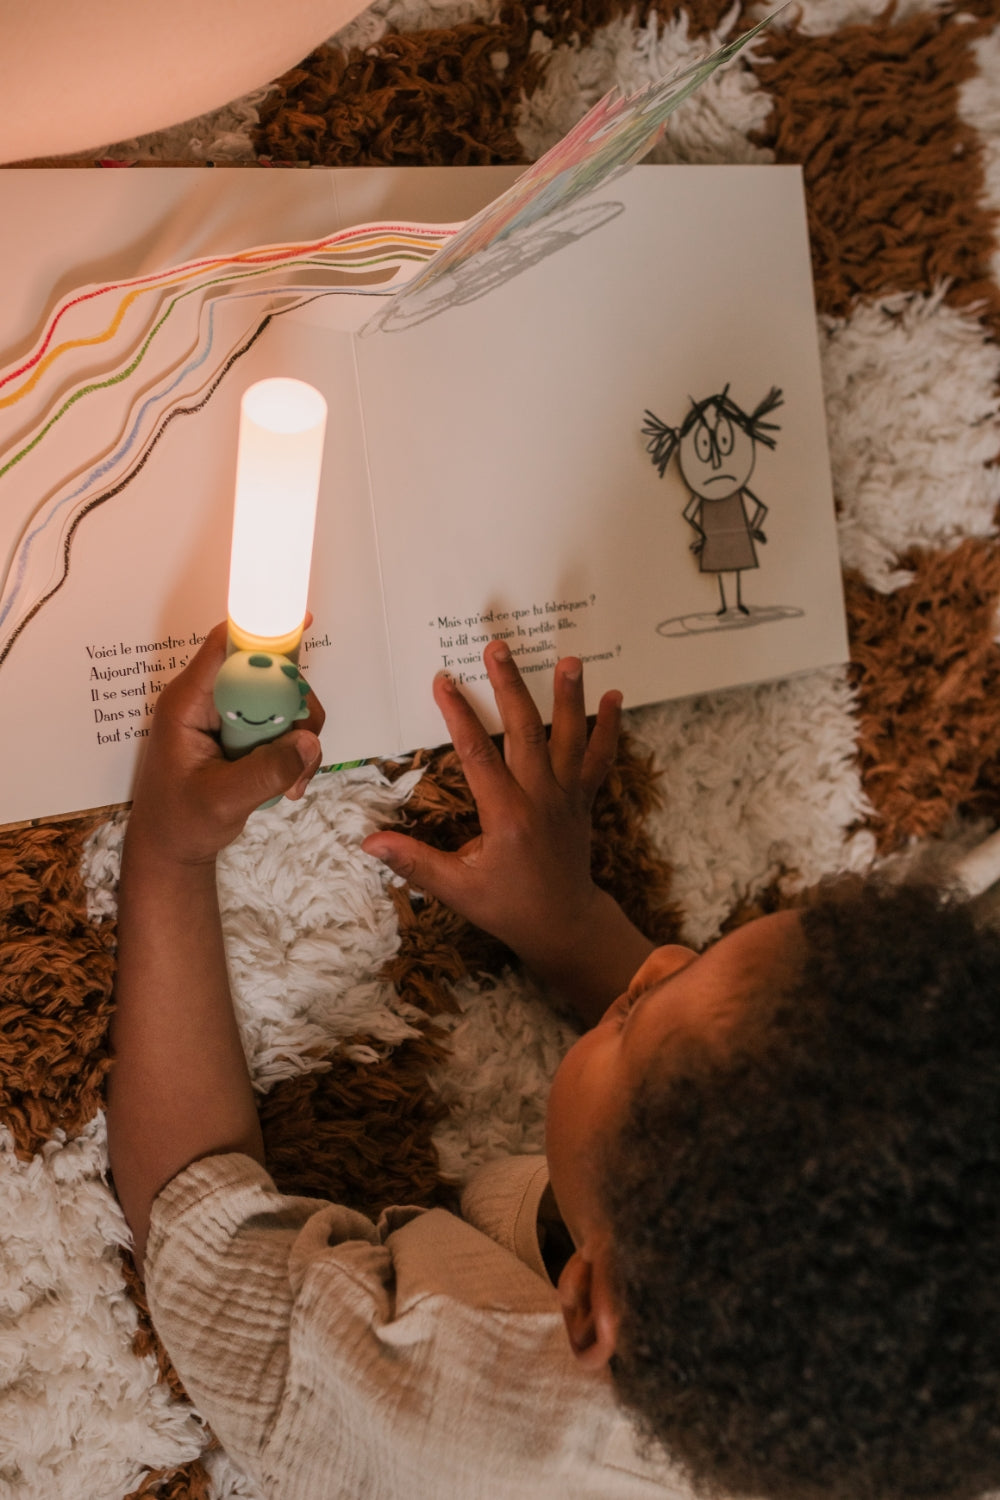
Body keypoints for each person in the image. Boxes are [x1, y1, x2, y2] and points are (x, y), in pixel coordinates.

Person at [107, 622, 1000, 1500]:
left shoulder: (464, 1411)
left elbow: (201, 1232)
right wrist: (575, 928)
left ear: (587, 1306)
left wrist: (167, 847)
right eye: (694, 955)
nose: (655, 958)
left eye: (639, 1005)